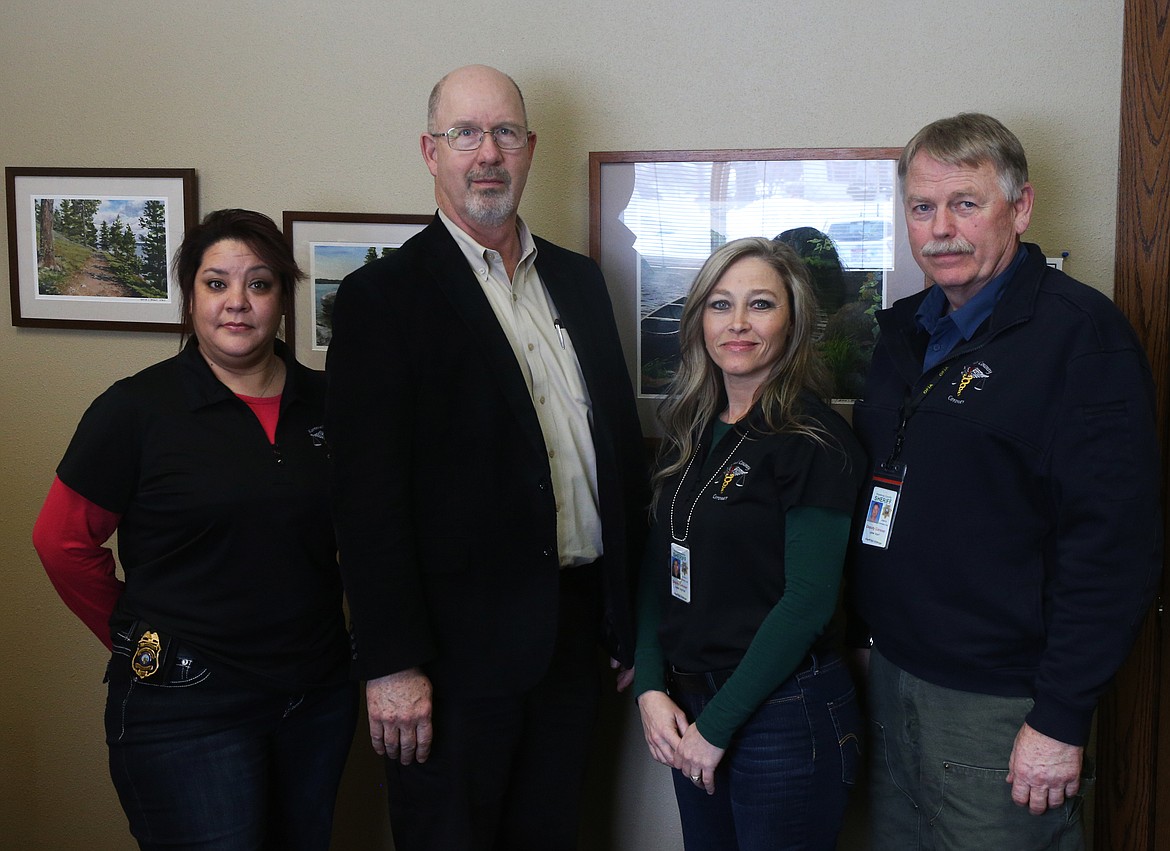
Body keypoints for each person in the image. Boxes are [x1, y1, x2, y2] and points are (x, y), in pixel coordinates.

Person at [324, 65, 647, 851]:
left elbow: (617, 453)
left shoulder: (577, 280)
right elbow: (366, 503)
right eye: (464, 133)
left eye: (504, 132)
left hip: (573, 641)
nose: (487, 153)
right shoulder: (382, 299)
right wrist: (392, 664)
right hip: (450, 661)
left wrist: (628, 616)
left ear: (531, 148)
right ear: (430, 152)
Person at [849, 113, 1162, 850]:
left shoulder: (1080, 336)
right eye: (922, 208)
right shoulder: (901, 334)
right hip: (893, 677)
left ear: (1020, 208)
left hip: (1003, 704)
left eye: (966, 203)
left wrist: (1059, 716)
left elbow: (1113, 548)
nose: (940, 229)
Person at [31, 209, 357, 851]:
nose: (237, 303)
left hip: (314, 698)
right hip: (187, 703)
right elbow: (62, 543)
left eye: (259, 284)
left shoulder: (332, 404)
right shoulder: (136, 410)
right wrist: (138, 639)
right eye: (216, 284)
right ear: (189, 295)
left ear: (283, 299)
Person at [633, 237, 866, 850]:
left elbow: (808, 603)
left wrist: (716, 728)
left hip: (782, 714)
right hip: (693, 702)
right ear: (697, 321)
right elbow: (663, 570)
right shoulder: (695, 428)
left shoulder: (814, 441)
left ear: (793, 323)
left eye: (760, 305)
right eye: (719, 305)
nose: (737, 324)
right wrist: (651, 687)